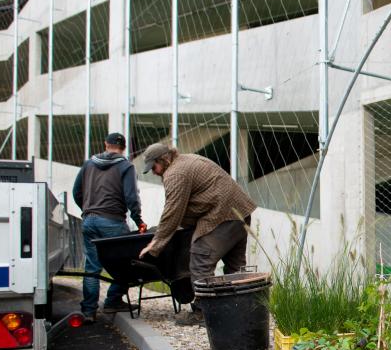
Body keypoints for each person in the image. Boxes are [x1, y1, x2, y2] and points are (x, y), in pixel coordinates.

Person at [138, 143, 257, 325]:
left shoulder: (176, 173)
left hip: (223, 216)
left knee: (201, 259)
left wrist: (156, 244)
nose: (153, 171)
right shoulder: (186, 160)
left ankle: (205, 313)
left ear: (164, 159)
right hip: (239, 211)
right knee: (235, 266)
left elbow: (172, 211)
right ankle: (240, 310)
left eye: (154, 167)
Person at [73, 132, 146, 322]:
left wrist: (88, 210)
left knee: (92, 267)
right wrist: (139, 221)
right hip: (112, 221)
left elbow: (76, 192)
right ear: (123, 148)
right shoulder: (125, 166)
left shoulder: (88, 164)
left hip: (89, 220)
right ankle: (113, 300)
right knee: (127, 263)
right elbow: (131, 197)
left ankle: (89, 311)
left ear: (106, 144)